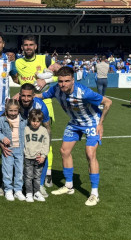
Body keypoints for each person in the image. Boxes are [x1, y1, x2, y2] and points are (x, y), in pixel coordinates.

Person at [37, 65, 111, 207]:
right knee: (64, 151)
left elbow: (108, 102)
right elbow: (41, 95)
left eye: (66, 81)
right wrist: (22, 95)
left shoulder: (84, 93)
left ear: (73, 80)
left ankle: (94, 194)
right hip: (75, 123)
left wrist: (100, 124)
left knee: (90, 154)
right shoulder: (56, 89)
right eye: (60, 81)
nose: (63, 84)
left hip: (91, 123)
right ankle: (69, 186)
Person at [10, 35, 56, 186]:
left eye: (31, 45)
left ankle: (47, 173)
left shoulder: (46, 59)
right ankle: (28, 173)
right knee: (27, 141)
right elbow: (18, 80)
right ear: (22, 47)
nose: (28, 47)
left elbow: (59, 76)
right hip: (26, 107)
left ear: (36, 46)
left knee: (45, 140)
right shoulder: (18, 62)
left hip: (44, 105)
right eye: (26, 45)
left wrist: (46, 80)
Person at [16, 83, 52, 195]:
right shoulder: (15, 103)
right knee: (17, 157)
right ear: (19, 95)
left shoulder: (40, 106)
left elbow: (47, 127)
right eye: (23, 96)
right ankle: (15, 184)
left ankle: (40, 185)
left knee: (41, 156)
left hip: (36, 133)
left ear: (34, 96)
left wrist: (46, 147)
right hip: (20, 131)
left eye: (29, 96)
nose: (26, 99)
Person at [0, 98, 25, 201]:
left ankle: (18, 190)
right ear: (6, 110)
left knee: (19, 171)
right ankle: (8, 190)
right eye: (10, 111)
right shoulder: (2, 120)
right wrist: (2, 138)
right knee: (7, 171)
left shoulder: (23, 120)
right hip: (8, 150)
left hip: (20, 150)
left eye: (15, 110)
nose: (13, 113)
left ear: (18, 110)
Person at [23, 109, 50, 203]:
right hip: (28, 157)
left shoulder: (43, 131)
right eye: (33, 121)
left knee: (37, 177)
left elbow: (46, 144)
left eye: (38, 121)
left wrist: (43, 156)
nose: (35, 123)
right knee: (28, 176)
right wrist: (24, 153)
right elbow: (22, 143)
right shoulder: (26, 129)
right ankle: (29, 193)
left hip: (39, 158)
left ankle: (37, 192)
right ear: (29, 120)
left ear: (41, 121)